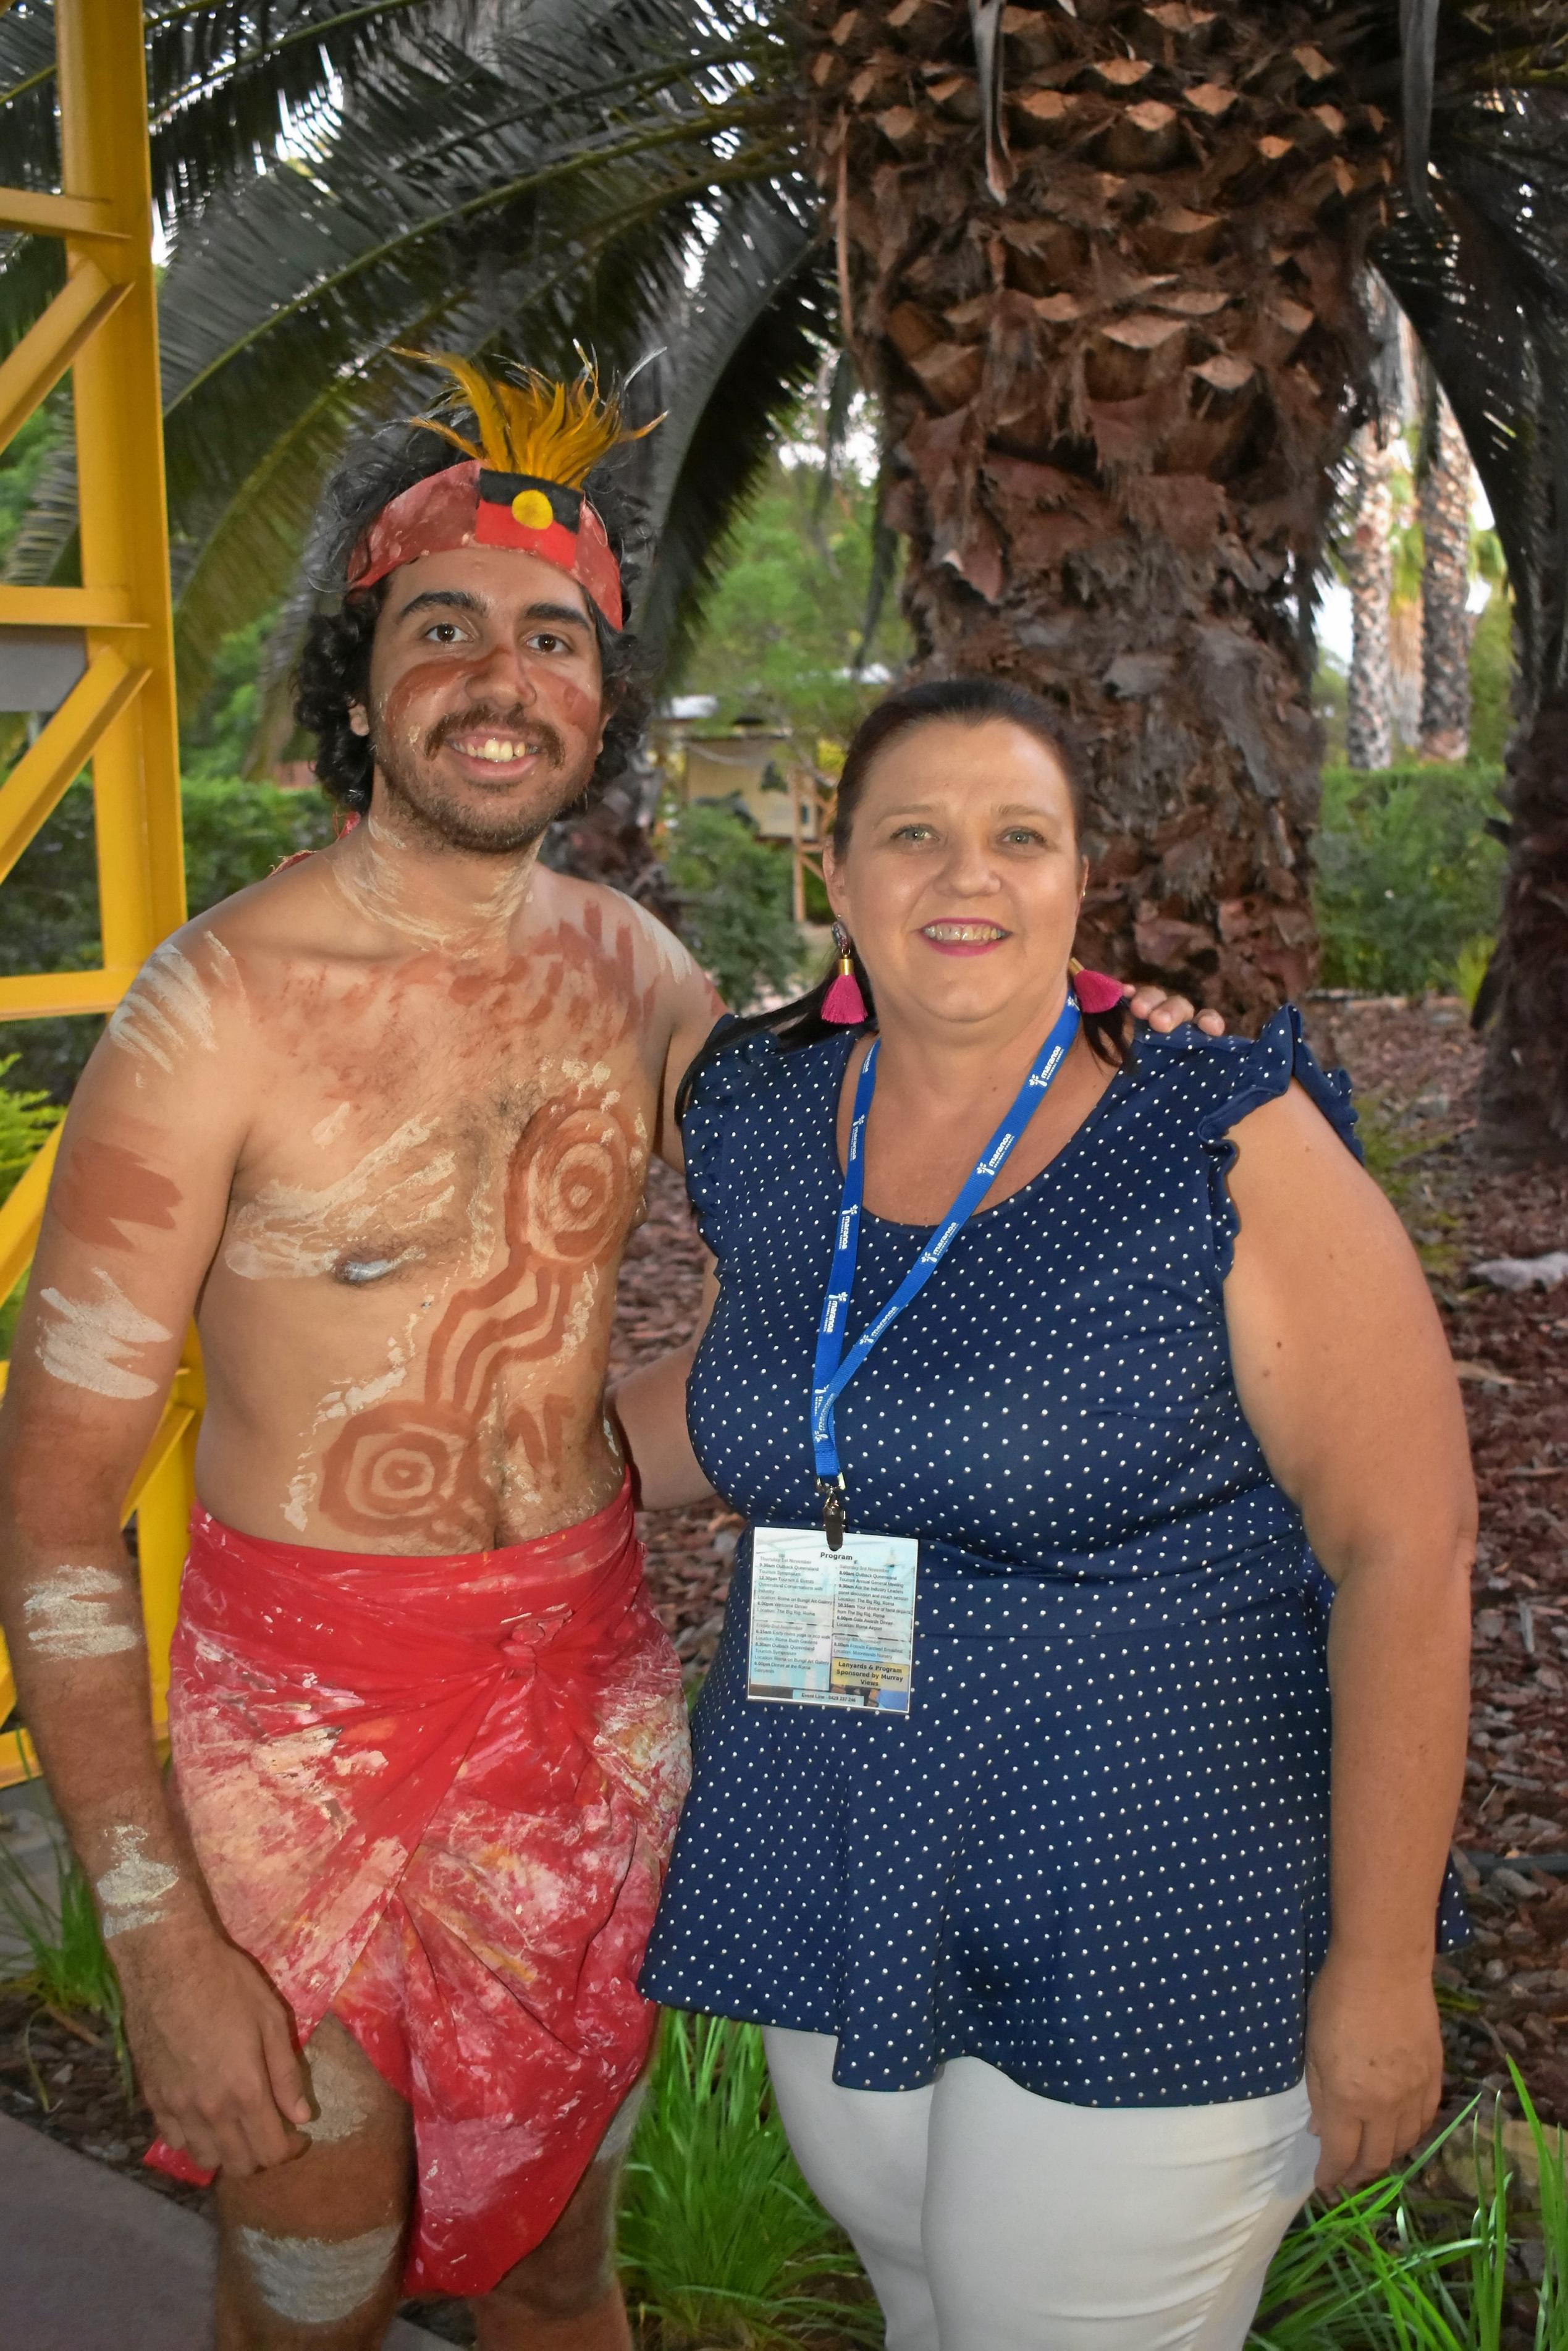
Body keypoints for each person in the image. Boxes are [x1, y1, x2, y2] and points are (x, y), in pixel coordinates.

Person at [0, 355, 1209, 2351]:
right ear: (360, 674)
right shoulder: (210, 1011)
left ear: (602, 693)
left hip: (581, 1708)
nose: (500, 673)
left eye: (551, 636)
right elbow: (48, 1513)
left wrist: (1099, 1050)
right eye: (443, 625)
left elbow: (883, 1181)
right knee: (311, 2270)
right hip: (299, 1731)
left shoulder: (643, 985)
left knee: (567, 2259)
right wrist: (154, 1939)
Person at [624, 677, 1475, 2351]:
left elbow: (1408, 1551)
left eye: (1019, 837)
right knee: (932, 2312)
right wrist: (405, 1466)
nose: (969, 876)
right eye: (916, 835)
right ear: (838, 874)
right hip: (844, 1844)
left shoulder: (1218, 1138)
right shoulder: (768, 1116)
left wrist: (1379, 1968)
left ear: (1079, 879)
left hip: (1149, 1889)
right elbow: (760, 1392)